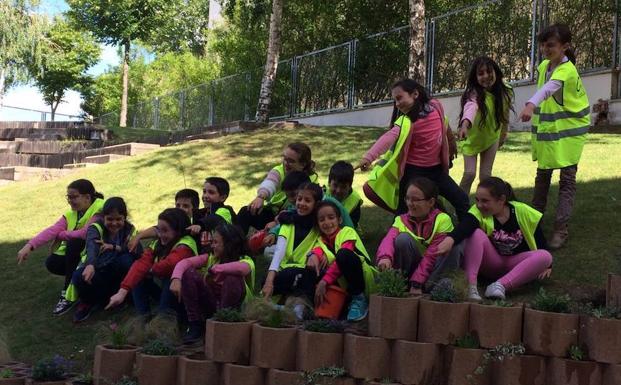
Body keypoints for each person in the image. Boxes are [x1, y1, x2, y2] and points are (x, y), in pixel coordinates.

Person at [518, 23, 590, 249]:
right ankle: (533, 222)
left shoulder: (566, 70)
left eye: (550, 45)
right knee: (542, 177)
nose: (545, 49)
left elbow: (549, 88)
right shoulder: (544, 66)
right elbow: (546, 87)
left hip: (569, 134)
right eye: (542, 44)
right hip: (551, 133)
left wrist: (531, 103)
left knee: (567, 181)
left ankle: (561, 229)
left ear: (565, 46)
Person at [358, 79, 469, 219]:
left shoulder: (436, 107)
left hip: (436, 171)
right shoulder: (406, 122)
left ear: (415, 94)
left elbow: (444, 124)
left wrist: (452, 145)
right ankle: (406, 231)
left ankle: (467, 232)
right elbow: (388, 138)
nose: (397, 104)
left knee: (462, 200)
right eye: (395, 101)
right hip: (413, 174)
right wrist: (368, 157)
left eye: (399, 98)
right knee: (405, 215)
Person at [437, 177, 553, 301]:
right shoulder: (477, 212)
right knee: (475, 233)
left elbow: (539, 239)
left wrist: (547, 265)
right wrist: (450, 239)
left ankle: (500, 286)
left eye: (485, 201)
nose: (479, 205)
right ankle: (471, 286)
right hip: (492, 263)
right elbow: (465, 226)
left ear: (501, 200)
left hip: (516, 264)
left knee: (545, 256)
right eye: (477, 200)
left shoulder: (522, 211)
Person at [16, 179, 104, 315]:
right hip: (81, 254)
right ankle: (77, 284)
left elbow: (86, 233)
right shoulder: (71, 213)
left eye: (74, 197)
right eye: (68, 197)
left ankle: (67, 292)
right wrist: (29, 246)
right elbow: (52, 230)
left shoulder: (100, 208)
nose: (70, 201)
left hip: (99, 253)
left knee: (74, 243)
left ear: (87, 197)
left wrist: (62, 235)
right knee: (53, 263)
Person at [170, 224, 255, 343]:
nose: (212, 245)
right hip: (212, 305)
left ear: (229, 244)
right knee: (188, 273)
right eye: (212, 242)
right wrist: (176, 279)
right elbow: (185, 263)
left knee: (232, 278)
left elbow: (243, 268)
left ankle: (223, 325)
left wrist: (214, 269)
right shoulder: (211, 257)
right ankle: (195, 324)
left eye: (216, 242)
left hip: (237, 312)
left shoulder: (245, 259)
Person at [106, 208, 198, 318]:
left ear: (178, 230)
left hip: (185, 297)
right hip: (167, 290)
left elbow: (169, 265)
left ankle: (166, 318)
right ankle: (143, 317)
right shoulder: (158, 243)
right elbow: (141, 263)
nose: (160, 235)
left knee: (170, 277)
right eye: (159, 230)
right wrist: (122, 291)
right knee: (138, 274)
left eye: (165, 230)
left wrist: (149, 270)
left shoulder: (185, 244)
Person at [376, 177, 458, 294]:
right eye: (407, 198)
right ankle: (401, 283)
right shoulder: (401, 220)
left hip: (432, 272)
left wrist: (417, 283)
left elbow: (432, 255)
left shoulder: (443, 219)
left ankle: (432, 287)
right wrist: (384, 257)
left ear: (431, 202)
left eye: (415, 200)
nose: (410, 203)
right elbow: (388, 239)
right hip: (410, 274)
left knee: (454, 245)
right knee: (402, 239)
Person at [71, 197, 141, 322]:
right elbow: (92, 245)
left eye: (118, 219)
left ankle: (126, 296)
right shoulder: (95, 228)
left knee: (128, 260)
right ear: (103, 217)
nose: (114, 223)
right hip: (99, 269)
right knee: (78, 276)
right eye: (110, 219)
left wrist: (114, 247)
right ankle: (88, 302)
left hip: (118, 270)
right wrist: (90, 264)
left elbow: (136, 251)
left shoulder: (130, 229)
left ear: (124, 218)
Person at [261, 183, 324, 316]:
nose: (301, 203)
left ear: (316, 204)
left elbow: (321, 247)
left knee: (306, 277)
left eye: (307, 200)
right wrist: (269, 281)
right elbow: (279, 252)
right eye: (299, 199)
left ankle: (297, 310)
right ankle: (286, 307)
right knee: (266, 280)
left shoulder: (319, 226)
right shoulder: (288, 223)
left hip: (305, 271)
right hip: (284, 271)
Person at [457, 56, 514, 195]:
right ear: (475, 77)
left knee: (485, 176)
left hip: (491, 137)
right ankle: (460, 205)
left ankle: (484, 204)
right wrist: (464, 125)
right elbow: (471, 107)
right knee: (469, 174)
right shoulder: (474, 93)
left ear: (496, 71)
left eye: (489, 72)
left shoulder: (506, 91)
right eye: (480, 73)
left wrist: (503, 134)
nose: (486, 76)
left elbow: (505, 115)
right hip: (472, 138)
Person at [312, 201, 377, 321]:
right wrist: (313, 256)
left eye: (331, 218)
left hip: (363, 279)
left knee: (343, 255)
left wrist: (324, 281)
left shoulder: (347, 232)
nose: (327, 222)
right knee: (314, 269)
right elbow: (316, 252)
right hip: (343, 284)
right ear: (318, 224)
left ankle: (359, 298)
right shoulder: (320, 241)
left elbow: (344, 256)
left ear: (340, 220)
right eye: (322, 220)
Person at [237, 142, 318, 234]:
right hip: (272, 212)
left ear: (302, 164)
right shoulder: (279, 171)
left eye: (291, 161)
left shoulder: (312, 181)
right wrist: (261, 197)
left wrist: (277, 222)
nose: (286, 163)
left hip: (295, 216)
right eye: (284, 158)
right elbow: (270, 183)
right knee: (246, 211)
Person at [128, 188, 202, 252]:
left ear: (195, 208)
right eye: (178, 205)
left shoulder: (199, 223)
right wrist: (138, 236)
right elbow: (157, 229)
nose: (180, 209)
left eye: (185, 206)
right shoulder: (173, 220)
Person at [190, 177, 236, 253]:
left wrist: (200, 225)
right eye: (204, 192)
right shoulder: (200, 214)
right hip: (205, 257)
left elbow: (214, 219)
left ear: (222, 198)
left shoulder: (225, 211)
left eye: (211, 192)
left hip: (226, 256)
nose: (205, 196)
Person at [324, 161, 363, 228]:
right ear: (329, 183)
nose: (338, 190)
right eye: (335, 185)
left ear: (350, 186)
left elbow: (352, 226)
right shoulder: (323, 193)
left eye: (343, 187)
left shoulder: (355, 201)